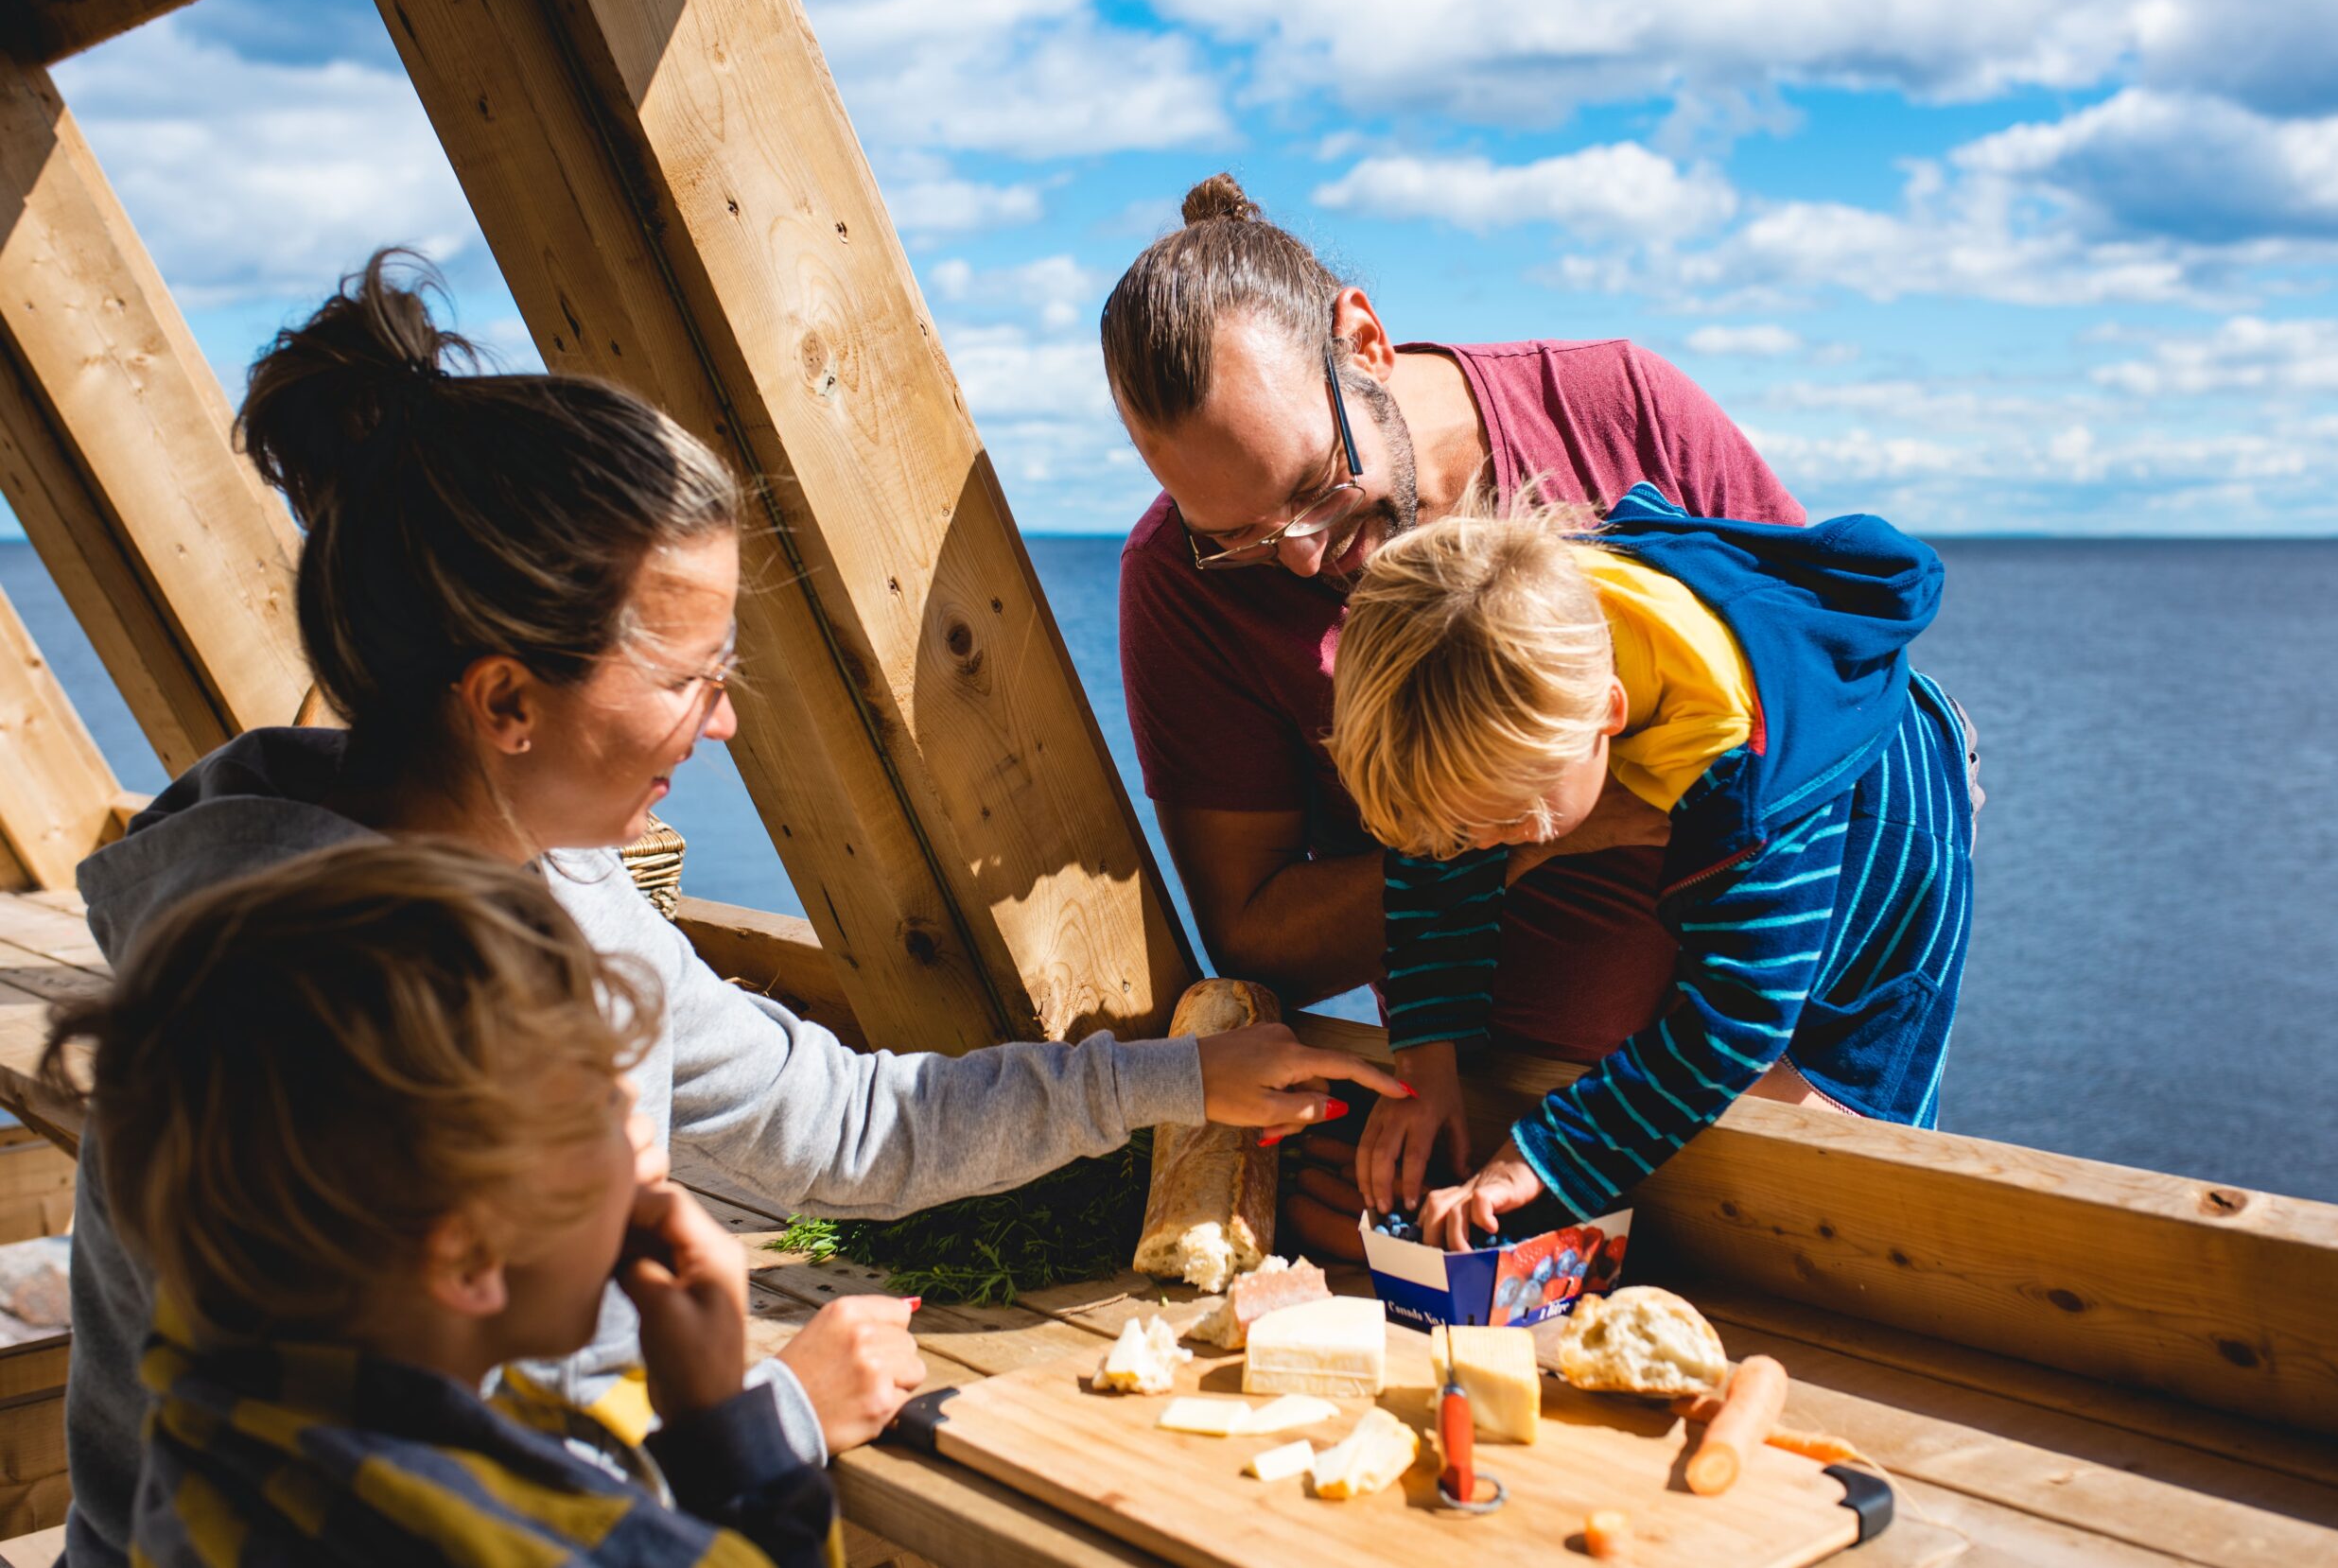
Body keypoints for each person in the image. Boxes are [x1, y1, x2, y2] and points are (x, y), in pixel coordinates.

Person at [60, 250, 1404, 1567]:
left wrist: (1177, 1079)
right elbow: (404, 1483)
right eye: (693, 677)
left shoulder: (548, 883)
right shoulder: (310, 1030)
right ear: (508, 701)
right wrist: (771, 1418)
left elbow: (838, 1122)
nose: (726, 719)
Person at [1101, 174, 1811, 1252]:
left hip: (1756, 1085)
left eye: (1311, 484)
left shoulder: (1619, 408)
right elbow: (1255, 932)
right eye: (1236, 534)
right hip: (1478, 1131)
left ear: (1365, 340)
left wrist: (1841, 1067)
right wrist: (1518, 848)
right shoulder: (1182, 581)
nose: (1295, 555)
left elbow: (1825, 724)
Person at [46, 840, 844, 1566]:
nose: (644, 1146)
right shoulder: (547, 1547)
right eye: (604, 1116)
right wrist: (729, 1431)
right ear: (466, 1258)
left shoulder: (218, 1404)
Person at [1325, 487, 1979, 1244]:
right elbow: (1435, 854)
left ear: (1605, 713)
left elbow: (1739, 1015)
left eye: (1511, 823)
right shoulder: (1503, 621)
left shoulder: (1743, 777)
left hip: (1884, 800)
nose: (1478, 848)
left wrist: (1539, 1157)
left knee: (1839, 1104)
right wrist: (1426, 1058)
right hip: (1738, 721)